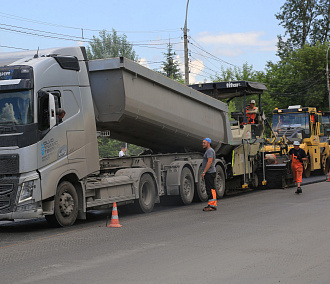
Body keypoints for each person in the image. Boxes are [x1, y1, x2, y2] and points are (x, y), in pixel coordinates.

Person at [201, 138, 217, 211]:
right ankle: (211, 204)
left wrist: (204, 172)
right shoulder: (209, 151)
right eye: (203, 143)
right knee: (210, 188)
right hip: (210, 172)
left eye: (204, 143)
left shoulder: (209, 151)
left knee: (210, 189)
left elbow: (209, 162)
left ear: (208, 143)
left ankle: (212, 205)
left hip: (210, 172)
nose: (203, 144)